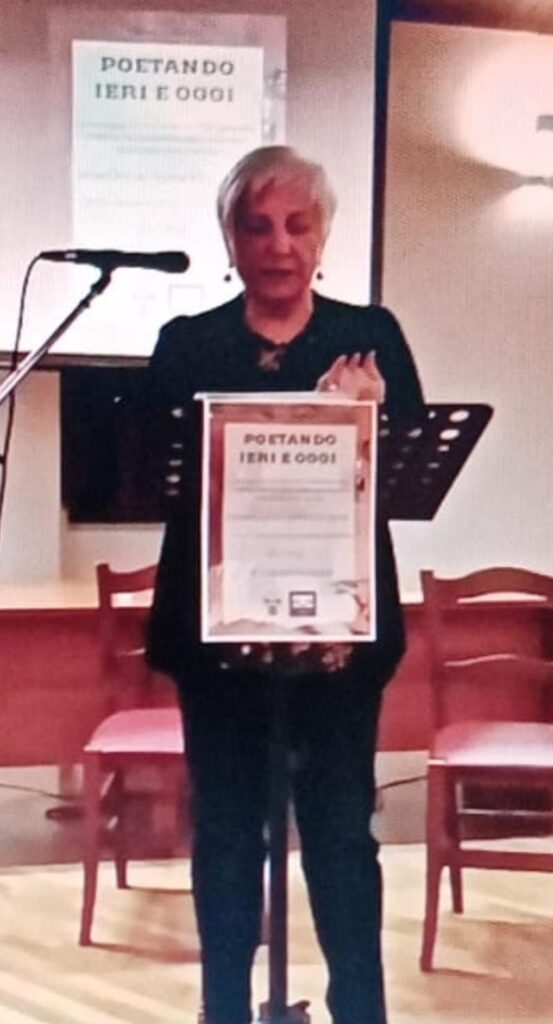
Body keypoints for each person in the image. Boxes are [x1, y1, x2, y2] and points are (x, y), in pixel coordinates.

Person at [146, 145, 424, 1024]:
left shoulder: (368, 335)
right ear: (229, 238)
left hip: (336, 643)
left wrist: (372, 419)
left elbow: (406, 470)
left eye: (297, 225)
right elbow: (158, 476)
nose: (277, 244)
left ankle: (360, 1011)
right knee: (227, 836)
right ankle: (225, 1009)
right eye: (256, 226)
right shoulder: (187, 344)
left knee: (340, 837)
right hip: (219, 640)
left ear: (323, 234)